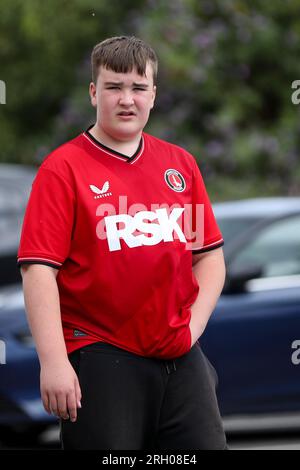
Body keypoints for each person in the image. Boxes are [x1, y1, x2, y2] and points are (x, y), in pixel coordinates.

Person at [17, 36, 227, 450]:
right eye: (114, 87)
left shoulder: (179, 164)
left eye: (138, 88)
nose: (126, 99)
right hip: (102, 356)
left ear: (154, 95)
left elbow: (210, 258)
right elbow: (38, 270)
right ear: (94, 92)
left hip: (180, 359)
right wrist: (54, 363)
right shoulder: (62, 169)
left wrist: (191, 329)